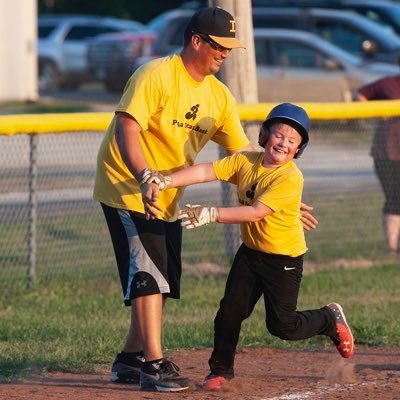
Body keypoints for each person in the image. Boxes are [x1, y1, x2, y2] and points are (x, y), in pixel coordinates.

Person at [93, 6, 317, 393]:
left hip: (168, 192)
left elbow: (245, 157)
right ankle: (154, 366)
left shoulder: (218, 96)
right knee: (149, 276)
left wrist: (277, 194)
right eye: (219, 46)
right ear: (196, 41)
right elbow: (126, 129)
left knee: (163, 281)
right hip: (127, 186)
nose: (225, 54)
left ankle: (129, 359)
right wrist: (145, 175)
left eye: (230, 48)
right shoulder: (156, 75)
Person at [145, 103, 354, 391]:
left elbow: (256, 212)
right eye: (279, 134)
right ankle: (220, 371)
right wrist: (166, 180)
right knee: (229, 311)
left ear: (298, 150)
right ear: (266, 135)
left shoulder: (289, 177)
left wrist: (211, 213)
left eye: (293, 141)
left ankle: (329, 319)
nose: (283, 143)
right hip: (251, 252)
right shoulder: (246, 162)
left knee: (282, 326)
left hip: (283, 258)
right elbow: (206, 171)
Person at [358, 76, 400, 255]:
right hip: (387, 152)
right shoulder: (388, 83)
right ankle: (393, 249)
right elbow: (361, 94)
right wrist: (374, 114)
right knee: (394, 199)